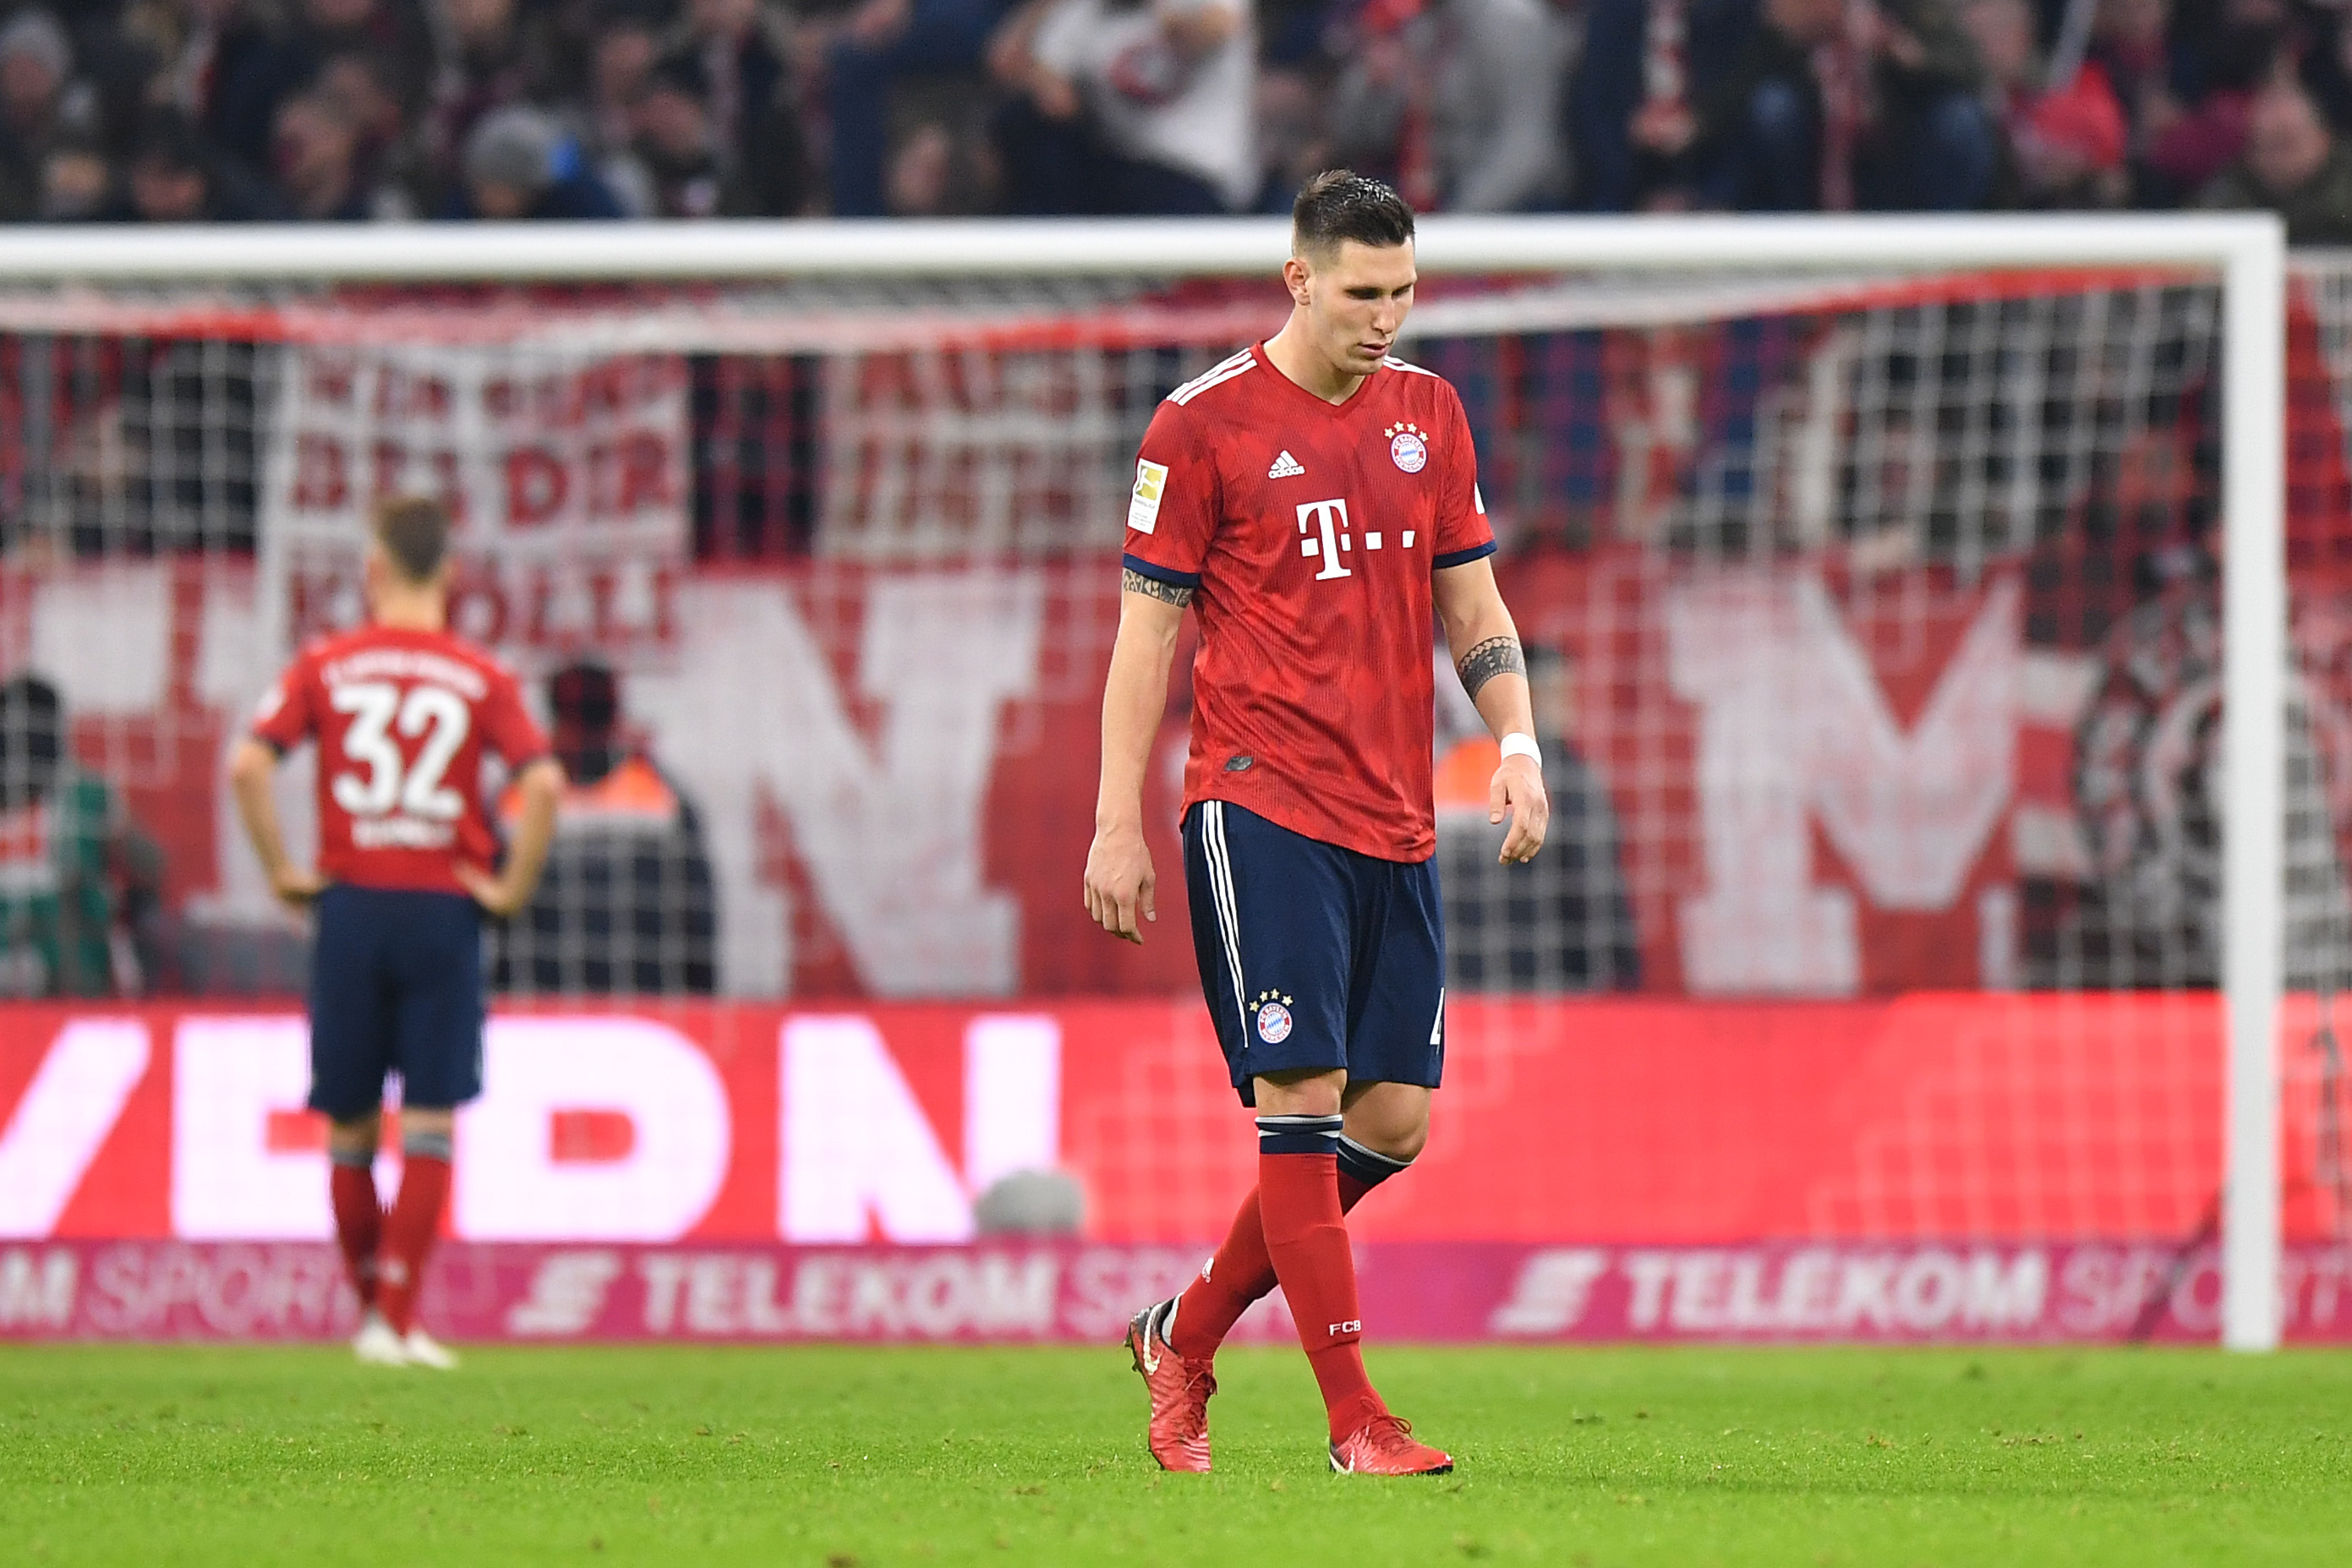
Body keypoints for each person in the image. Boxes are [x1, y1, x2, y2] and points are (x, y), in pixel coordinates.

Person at [1085, 170, 1549, 1477]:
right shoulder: (1199, 426)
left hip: (1393, 810)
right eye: (1361, 293)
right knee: (1297, 1098)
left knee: (1391, 1121)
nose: (1386, 317)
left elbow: (1475, 604)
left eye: (1403, 292)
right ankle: (1355, 1418)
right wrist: (1114, 821)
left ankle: (1183, 1329)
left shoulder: (1428, 413)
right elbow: (1144, 641)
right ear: (1299, 280)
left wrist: (1513, 743)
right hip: (1258, 799)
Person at [228, 495, 564, 1369]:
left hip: (349, 906)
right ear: (450, 576)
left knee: (348, 1125)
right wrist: (510, 887)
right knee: (429, 1120)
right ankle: (397, 1318)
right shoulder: (481, 674)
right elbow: (547, 784)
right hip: (441, 907)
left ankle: (372, 1316)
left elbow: (248, 762)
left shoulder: (324, 664)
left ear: (373, 571)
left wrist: (280, 871)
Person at [492, 660, 719, 995]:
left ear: (552, 721)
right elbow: (698, 915)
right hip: (642, 997)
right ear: (617, 718)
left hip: (540, 999)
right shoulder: (661, 795)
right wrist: (703, 996)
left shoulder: (517, 797)